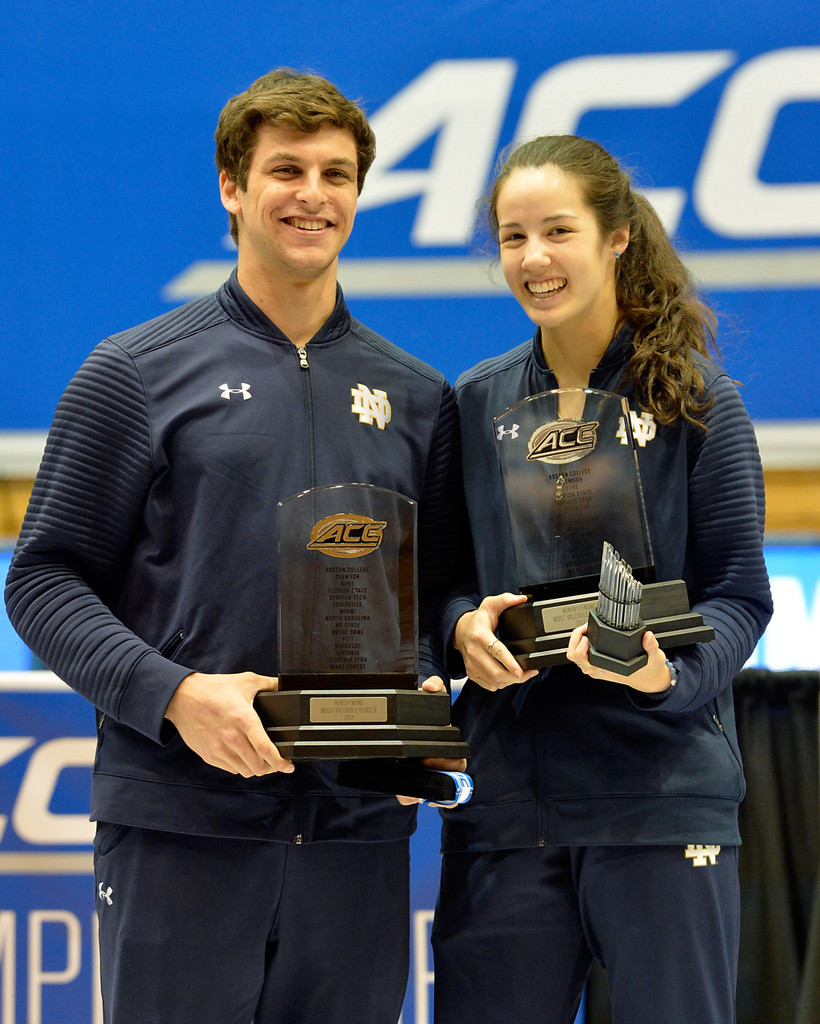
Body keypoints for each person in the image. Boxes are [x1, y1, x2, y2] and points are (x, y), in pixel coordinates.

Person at [5, 68, 464, 1024]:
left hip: (355, 837)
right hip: (181, 825)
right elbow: (43, 580)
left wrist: (420, 690)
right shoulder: (133, 373)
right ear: (232, 187)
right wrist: (174, 696)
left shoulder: (419, 399)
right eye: (285, 170)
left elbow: (432, 601)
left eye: (337, 174)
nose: (313, 195)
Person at [432, 135, 773, 1024]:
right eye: (513, 238)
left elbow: (739, 594)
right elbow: (440, 585)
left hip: (659, 799)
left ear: (616, 235)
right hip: (509, 807)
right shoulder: (473, 405)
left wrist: (667, 675)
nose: (534, 259)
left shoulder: (699, 399)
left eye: (557, 231)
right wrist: (464, 627)